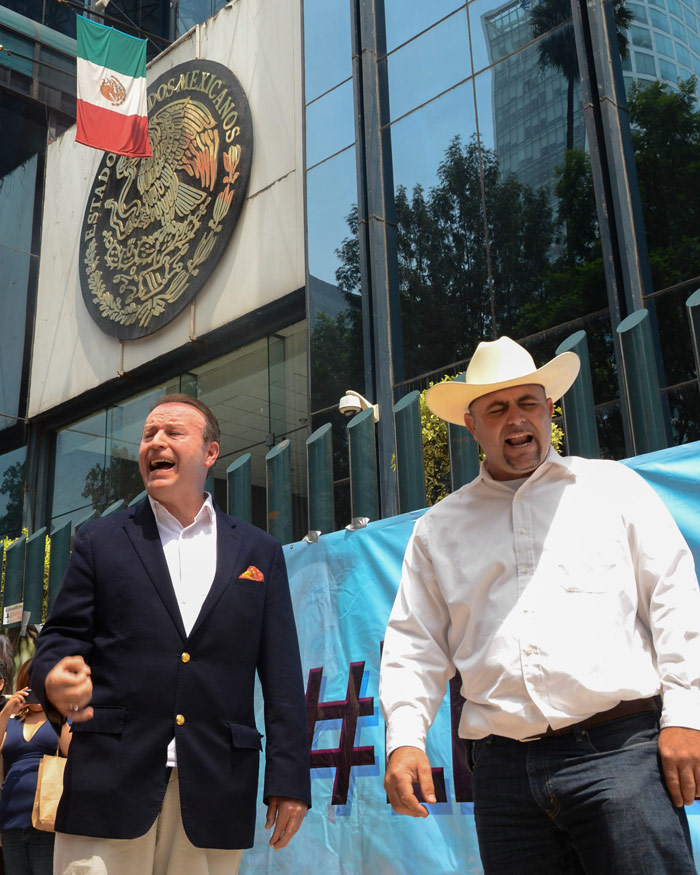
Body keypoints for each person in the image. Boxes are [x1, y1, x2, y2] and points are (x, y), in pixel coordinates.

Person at [379, 336, 700, 874]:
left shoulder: (613, 488)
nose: (515, 419)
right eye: (496, 409)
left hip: (622, 755)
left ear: (549, 410)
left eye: (527, 402)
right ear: (471, 425)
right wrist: (404, 741)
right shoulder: (439, 529)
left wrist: (686, 717)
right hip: (504, 776)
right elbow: (415, 645)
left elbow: (674, 602)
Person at [31, 394, 310, 875]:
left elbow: (283, 677)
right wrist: (54, 677)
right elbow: (58, 640)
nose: (155, 442)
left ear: (210, 452)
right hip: (108, 784)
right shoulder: (100, 541)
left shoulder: (259, 552)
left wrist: (289, 780)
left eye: (173, 433)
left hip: (216, 787)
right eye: (147, 435)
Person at [0, 659, 71, 875]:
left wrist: (54, 710)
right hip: (10, 820)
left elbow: (72, 752)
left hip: (46, 820)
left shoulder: (61, 718)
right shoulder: (10, 721)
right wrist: (6, 711)